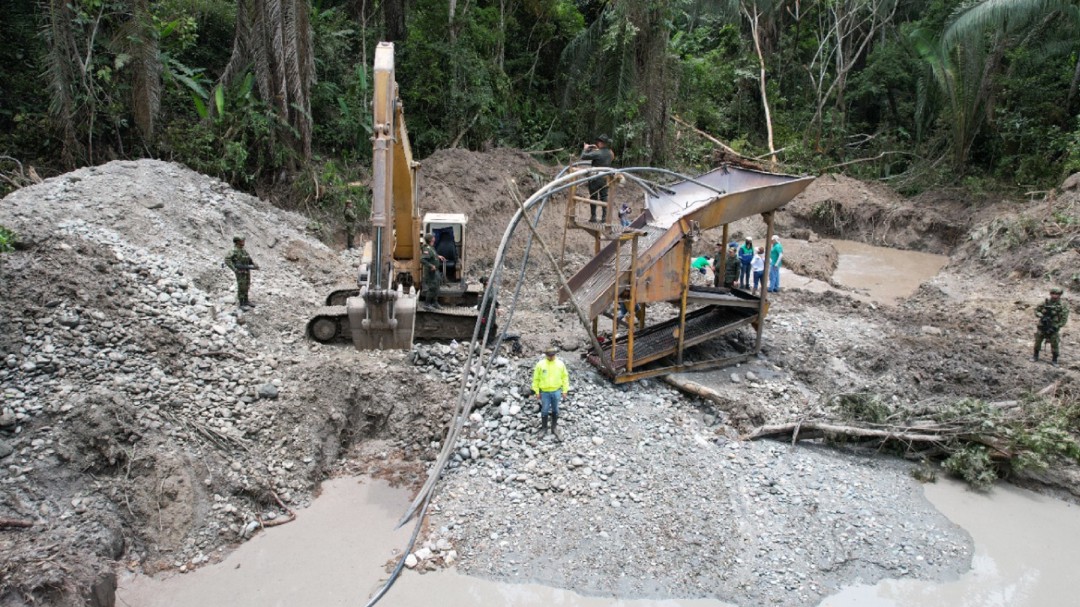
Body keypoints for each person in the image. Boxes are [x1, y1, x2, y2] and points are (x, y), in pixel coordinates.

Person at [532, 346, 570, 440]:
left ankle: (554, 428)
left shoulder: (560, 364)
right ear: (546, 355)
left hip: (556, 391)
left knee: (555, 410)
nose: (551, 357)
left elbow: (565, 377)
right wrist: (537, 391)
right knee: (544, 410)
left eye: (552, 355)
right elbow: (536, 379)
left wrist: (565, 390)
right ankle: (544, 428)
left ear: (555, 354)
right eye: (549, 355)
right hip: (544, 392)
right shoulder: (540, 365)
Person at [580, 134, 615, 223]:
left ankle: (593, 217)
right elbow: (610, 157)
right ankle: (604, 218)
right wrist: (596, 149)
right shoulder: (610, 152)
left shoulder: (598, 152)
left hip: (595, 178)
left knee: (593, 197)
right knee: (604, 196)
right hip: (605, 178)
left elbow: (583, 156)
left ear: (600, 142)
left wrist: (585, 148)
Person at [1033, 287, 1069, 365]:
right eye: (1053, 293)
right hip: (1042, 325)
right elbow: (1036, 310)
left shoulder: (1063, 305)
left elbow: (1064, 318)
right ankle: (1035, 356)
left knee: (1054, 343)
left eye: (1057, 294)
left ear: (1060, 295)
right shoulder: (1045, 303)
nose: (1055, 296)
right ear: (1050, 294)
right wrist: (1042, 316)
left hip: (1054, 326)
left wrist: (1057, 326)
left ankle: (1054, 360)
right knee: (1038, 340)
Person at [225, 235, 259, 309]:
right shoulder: (233, 251)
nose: (243, 242)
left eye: (243, 241)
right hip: (240, 271)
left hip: (246, 270)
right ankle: (241, 303)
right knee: (241, 287)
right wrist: (234, 269)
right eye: (241, 241)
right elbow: (227, 260)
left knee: (247, 285)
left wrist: (253, 264)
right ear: (237, 242)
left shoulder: (243, 251)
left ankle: (246, 300)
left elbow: (248, 259)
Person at [420, 233, 445, 308]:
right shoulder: (427, 248)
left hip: (435, 271)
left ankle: (435, 302)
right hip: (430, 272)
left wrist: (438, 256)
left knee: (437, 286)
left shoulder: (431, 248)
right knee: (432, 288)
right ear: (431, 239)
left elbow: (433, 255)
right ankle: (427, 304)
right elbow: (422, 259)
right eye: (433, 237)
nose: (434, 237)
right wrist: (431, 266)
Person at [478, 275, 500, 342]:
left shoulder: (492, 289)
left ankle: (490, 340)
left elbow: (494, 300)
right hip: (486, 311)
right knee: (485, 325)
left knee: (492, 324)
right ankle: (485, 341)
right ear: (486, 282)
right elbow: (480, 304)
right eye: (489, 281)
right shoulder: (482, 291)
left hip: (492, 310)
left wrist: (497, 308)